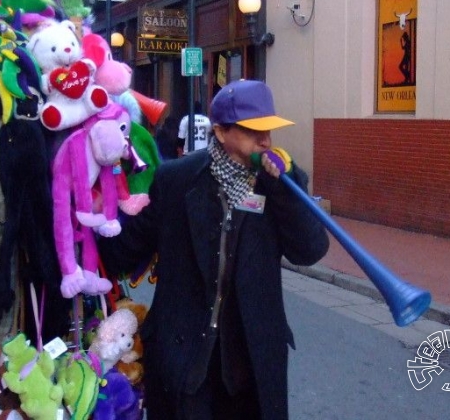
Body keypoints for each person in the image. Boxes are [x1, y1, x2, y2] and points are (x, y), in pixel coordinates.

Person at [99, 79, 330, 419]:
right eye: (253, 131)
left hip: (249, 360)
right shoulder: (176, 180)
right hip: (183, 358)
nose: (264, 141)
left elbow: (310, 250)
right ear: (221, 133)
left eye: (269, 130)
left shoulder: (279, 184)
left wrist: (285, 187)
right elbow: (128, 248)